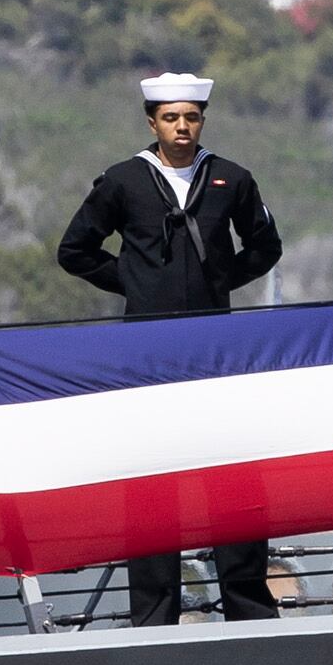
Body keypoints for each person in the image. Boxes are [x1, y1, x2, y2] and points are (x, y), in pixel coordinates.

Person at [56, 72, 288, 627]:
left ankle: (249, 608)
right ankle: (154, 614)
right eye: (171, 118)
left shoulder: (230, 178)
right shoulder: (123, 181)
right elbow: (76, 249)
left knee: (231, 477)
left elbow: (265, 245)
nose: (182, 128)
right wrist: (135, 283)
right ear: (151, 122)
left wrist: (221, 280)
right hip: (148, 354)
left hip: (215, 354)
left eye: (191, 117)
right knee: (153, 484)